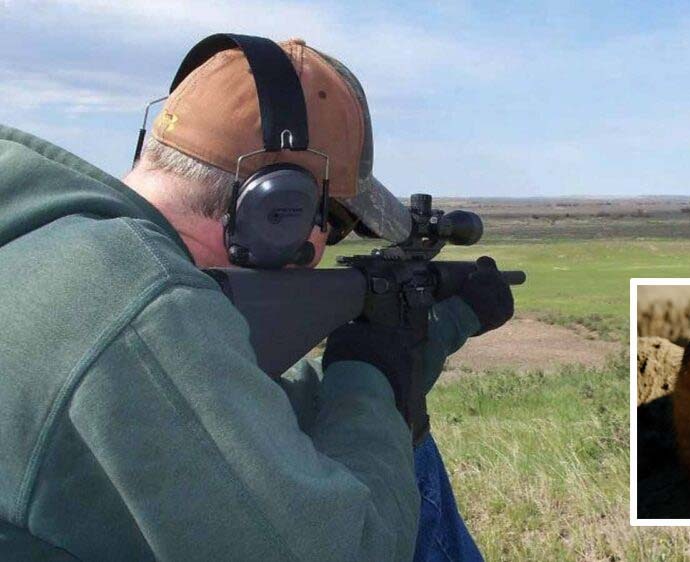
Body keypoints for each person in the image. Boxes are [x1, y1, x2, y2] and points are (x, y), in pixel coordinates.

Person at [0, 35, 511, 561]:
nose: (324, 245)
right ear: (276, 211)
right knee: (404, 459)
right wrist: (370, 376)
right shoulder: (143, 312)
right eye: (334, 223)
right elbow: (346, 549)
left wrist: (418, 339)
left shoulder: (45, 239)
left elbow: (216, 414)